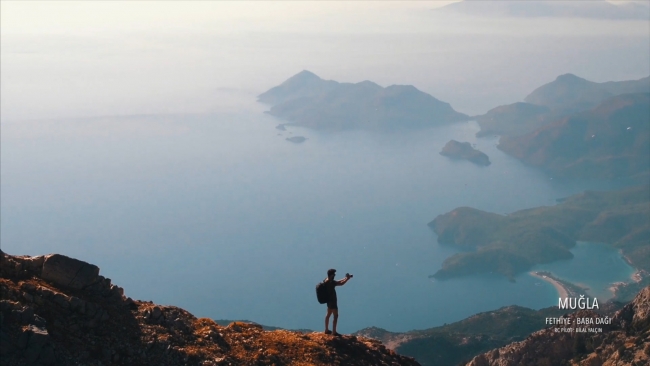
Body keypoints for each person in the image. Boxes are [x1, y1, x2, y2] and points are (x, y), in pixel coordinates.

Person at [323, 268, 352, 336]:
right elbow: (341, 284)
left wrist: (345, 278)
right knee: (335, 316)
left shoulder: (326, 280)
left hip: (328, 301)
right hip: (333, 301)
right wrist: (347, 279)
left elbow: (337, 282)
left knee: (328, 315)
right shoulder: (331, 282)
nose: (334, 275)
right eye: (334, 274)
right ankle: (334, 332)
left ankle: (326, 330)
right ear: (331, 275)